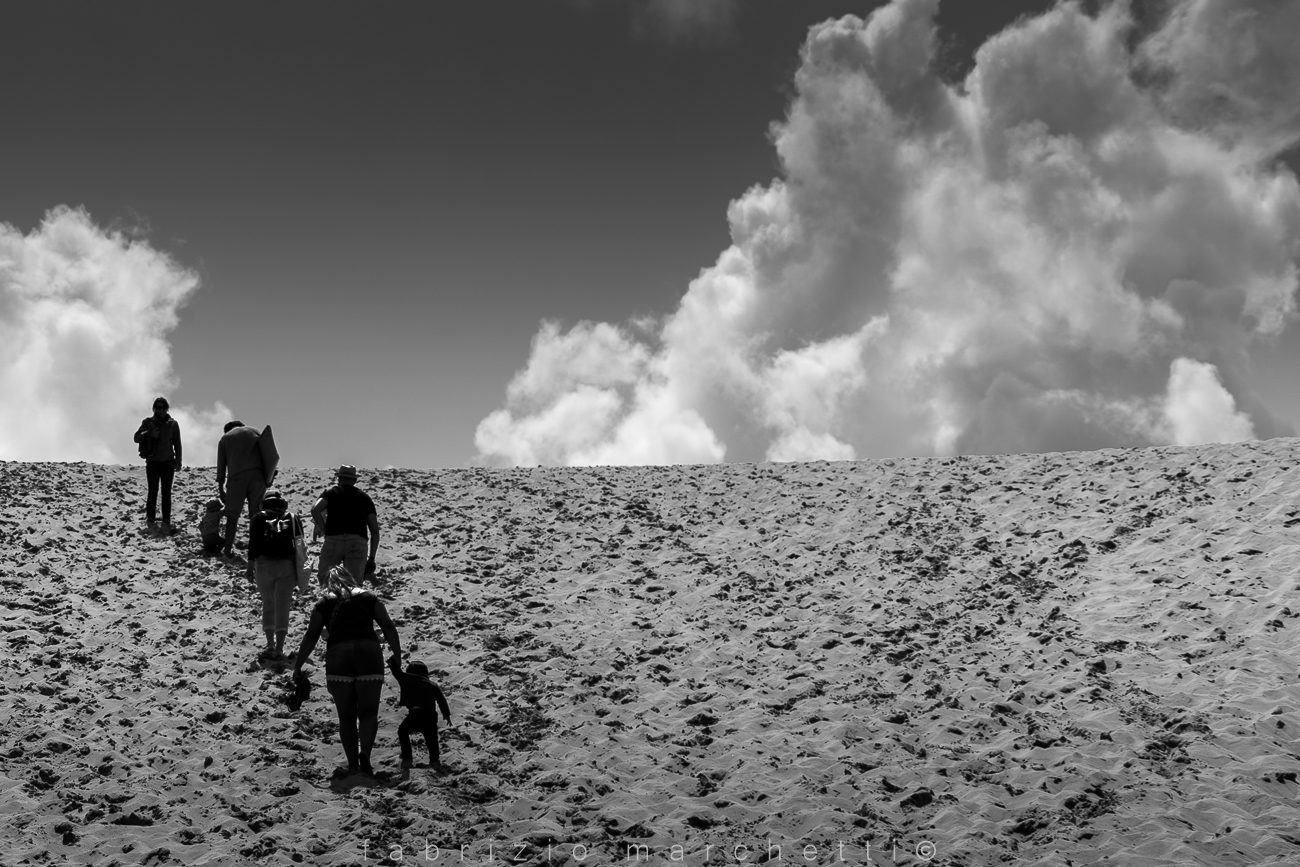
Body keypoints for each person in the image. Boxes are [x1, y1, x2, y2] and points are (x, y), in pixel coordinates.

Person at [291, 565, 401, 778]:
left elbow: (311, 636)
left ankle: (352, 764)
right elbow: (387, 625)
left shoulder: (323, 603)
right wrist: (397, 654)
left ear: (327, 583)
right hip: (368, 653)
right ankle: (366, 755)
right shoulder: (369, 597)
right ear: (351, 578)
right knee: (368, 712)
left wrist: (298, 664)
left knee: (347, 717)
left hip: (338, 656)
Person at [249, 489, 305, 661]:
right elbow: (300, 545)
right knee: (283, 606)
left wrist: (249, 566)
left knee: (268, 604)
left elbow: (254, 543)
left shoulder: (258, 518)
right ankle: (280, 648)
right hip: (287, 565)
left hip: (264, 564)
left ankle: (270, 645)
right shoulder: (294, 518)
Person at [312, 465, 381, 587]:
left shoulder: (331, 493)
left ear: (339, 479)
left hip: (333, 539)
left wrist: (325, 530)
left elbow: (315, 510)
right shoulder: (364, 498)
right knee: (354, 585)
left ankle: (330, 603)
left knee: (326, 580)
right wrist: (371, 558)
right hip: (357, 542)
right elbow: (374, 531)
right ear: (354, 480)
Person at [387, 654, 451, 770]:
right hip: (430, 716)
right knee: (432, 740)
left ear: (409, 672)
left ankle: (407, 755)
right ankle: (434, 760)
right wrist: (446, 714)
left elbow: (396, 671)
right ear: (426, 673)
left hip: (414, 714)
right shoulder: (432, 684)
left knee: (403, 731)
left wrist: (392, 661)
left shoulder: (406, 679)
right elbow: (441, 700)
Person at [216, 420, 266, 561]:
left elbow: (221, 467)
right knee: (256, 517)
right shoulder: (255, 431)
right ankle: (257, 552)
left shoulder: (225, 438)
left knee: (232, 517)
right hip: (258, 477)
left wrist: (221, 489)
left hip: (236, 479)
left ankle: (227, 550)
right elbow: (268, 453)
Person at [134, 397, 182, 535]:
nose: (161, 410)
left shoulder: (173, 424)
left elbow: (177, 444)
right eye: (158, 407)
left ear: (167, 408)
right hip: (153, 462)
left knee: (166, 493)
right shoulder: (148, 422)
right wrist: (149, 433)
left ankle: (166, 521)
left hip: (168, 462)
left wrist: (178, 461)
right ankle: (151, 520)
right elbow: (136, 438)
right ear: (154, 409)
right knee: (153, 491)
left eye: (163, 407)